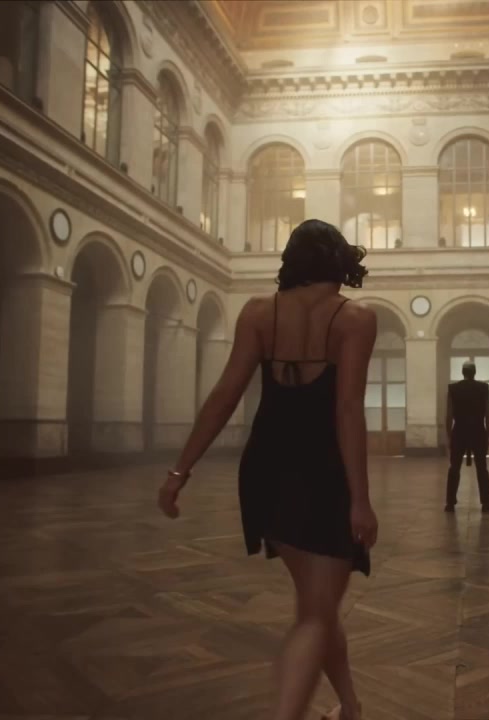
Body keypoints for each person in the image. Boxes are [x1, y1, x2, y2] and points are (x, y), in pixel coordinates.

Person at [157, 219, 379, 720]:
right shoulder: (355, 319)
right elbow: (347, 410)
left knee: (317, 605)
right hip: (322, 474)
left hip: (266, 469)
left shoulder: (258, 313)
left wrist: (179, 472)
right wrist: (361, 500)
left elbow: (223, 396)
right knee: (315, 615)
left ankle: (350, 705)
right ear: (340, 262)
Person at [445, 360, 489, 513]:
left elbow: (449, 415)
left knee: (454, 468)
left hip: (459, 431)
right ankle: (486, 503)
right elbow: (488, 415)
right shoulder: (484, 388)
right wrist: (488, 435)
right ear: (474, 373)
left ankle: (450, 503)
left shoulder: (453, 389)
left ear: (462, 372)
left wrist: (449, 436)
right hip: (478, 431)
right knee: (482, 469)